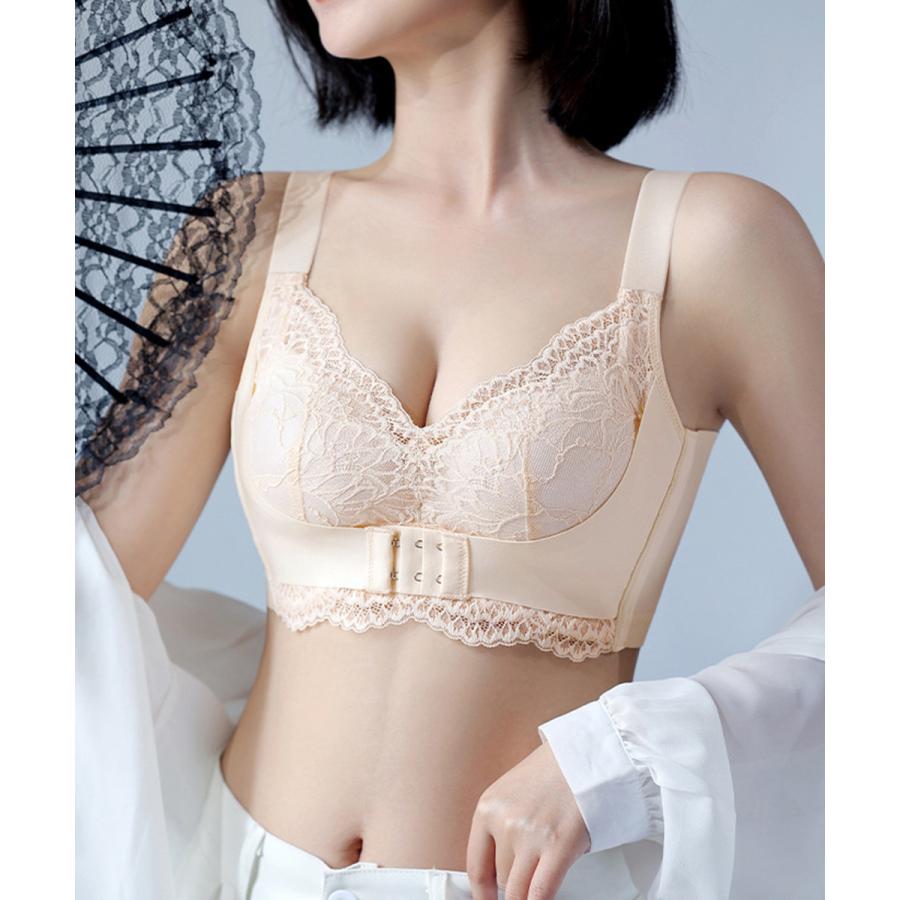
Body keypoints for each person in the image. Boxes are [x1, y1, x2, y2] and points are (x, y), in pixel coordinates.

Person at [75, 1, 825, 898]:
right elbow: (77, 586)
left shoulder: (714, 243)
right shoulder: (246, 235)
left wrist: (612, 759)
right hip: (245, 872)